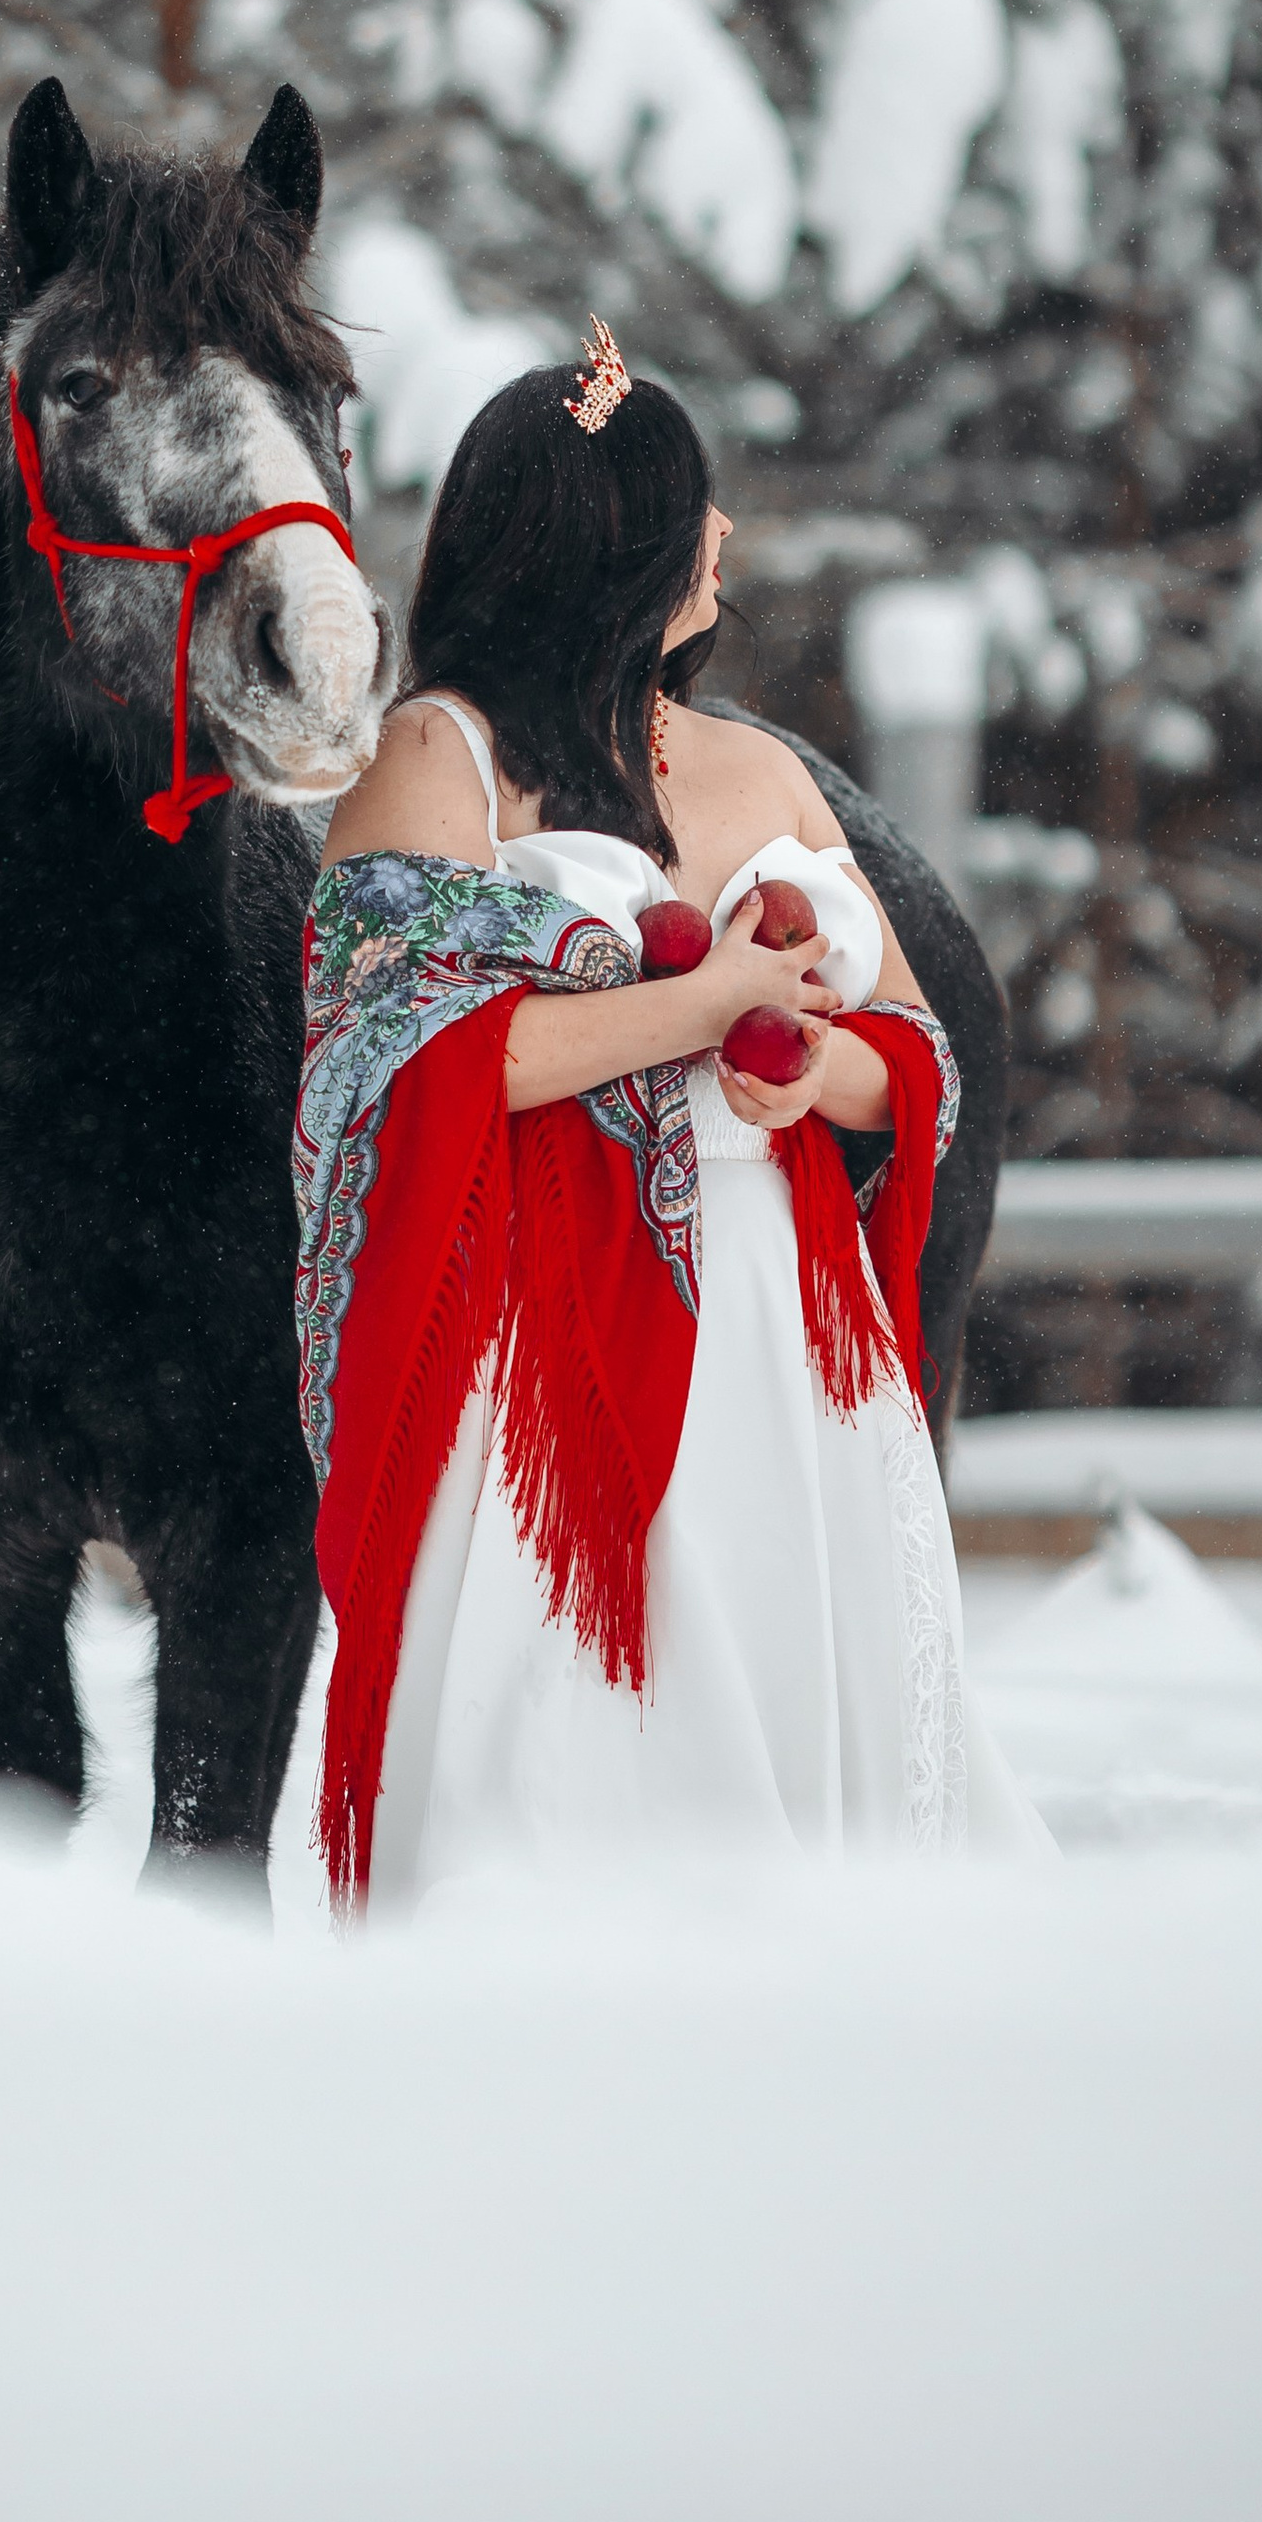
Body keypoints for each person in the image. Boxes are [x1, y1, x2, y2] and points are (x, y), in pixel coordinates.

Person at [295, 324, 1050, 1912]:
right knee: (562, 1739)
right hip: (539, 1333)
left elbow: (914, 1053)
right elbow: (419, 1061)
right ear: (612, 547)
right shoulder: (433, 765)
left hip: (780, 1321)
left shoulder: (766, 772)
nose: (725, 540)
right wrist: (701, 1014)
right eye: (694, 509)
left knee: (789, 1686)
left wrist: (806, 1071)